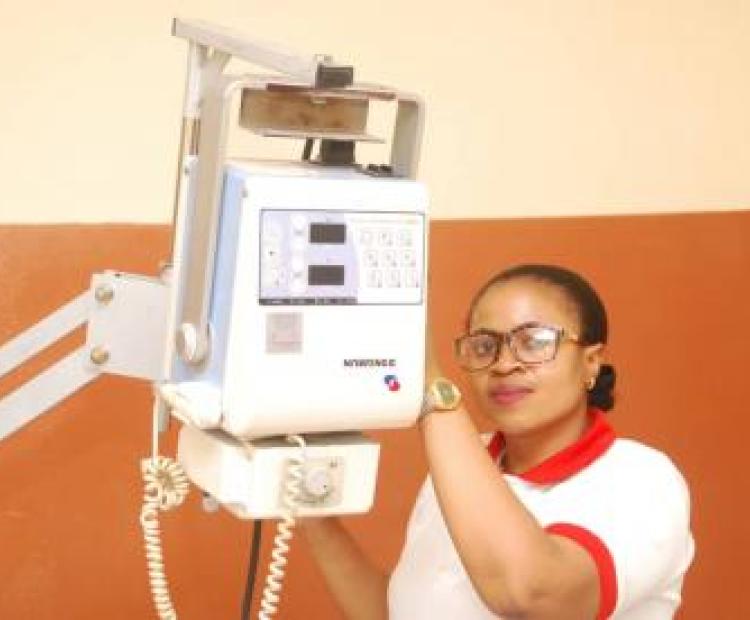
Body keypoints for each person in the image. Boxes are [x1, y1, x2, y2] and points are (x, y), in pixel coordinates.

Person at [301, 264, 694, 619]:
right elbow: (399, 612)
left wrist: (431, 388)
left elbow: (533, 593)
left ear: (591, 362)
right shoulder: (462, 462)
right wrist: (310, 512)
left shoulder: (642, 479)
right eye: (485, 346)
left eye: (534, 342)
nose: (504, 364)